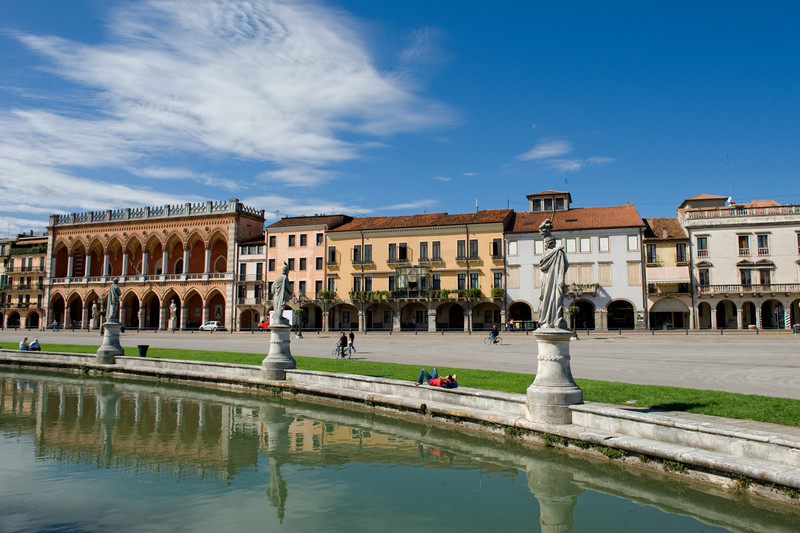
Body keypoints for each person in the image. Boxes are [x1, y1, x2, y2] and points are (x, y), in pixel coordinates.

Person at [537, 219, 568, 329]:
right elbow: (565, 265)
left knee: (552, 298)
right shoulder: (555, 253)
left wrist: (547, 230)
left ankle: (552, 319)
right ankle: (549, 319)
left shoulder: (554, 253)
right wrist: (557, 250)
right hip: (550, 281)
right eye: (553, 243)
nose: (554, 244)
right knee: (551, 298)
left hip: (551, 280)